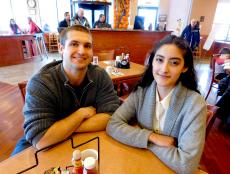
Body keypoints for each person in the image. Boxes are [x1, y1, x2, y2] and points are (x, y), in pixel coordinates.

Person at [12, 25, 120, 155]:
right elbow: (40, 139)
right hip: (36, 149)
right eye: (74, 44)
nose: (82, 51)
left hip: (84, 141)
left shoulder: (100, 75)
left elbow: (112, 116)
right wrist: (81, 114)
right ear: (61, 48)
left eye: (87, 46)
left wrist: (64, 128)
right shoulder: (41, 82)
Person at [106, 35, 206, 174]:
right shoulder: (142, 91)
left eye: (174, 63)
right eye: (159, 60)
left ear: (185, 67)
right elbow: (113, 125)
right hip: (140, 163)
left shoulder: (195, 104)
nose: (164, 69)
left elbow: (186, 165)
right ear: (152, 62)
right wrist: (153, 138)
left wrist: (145, 142)